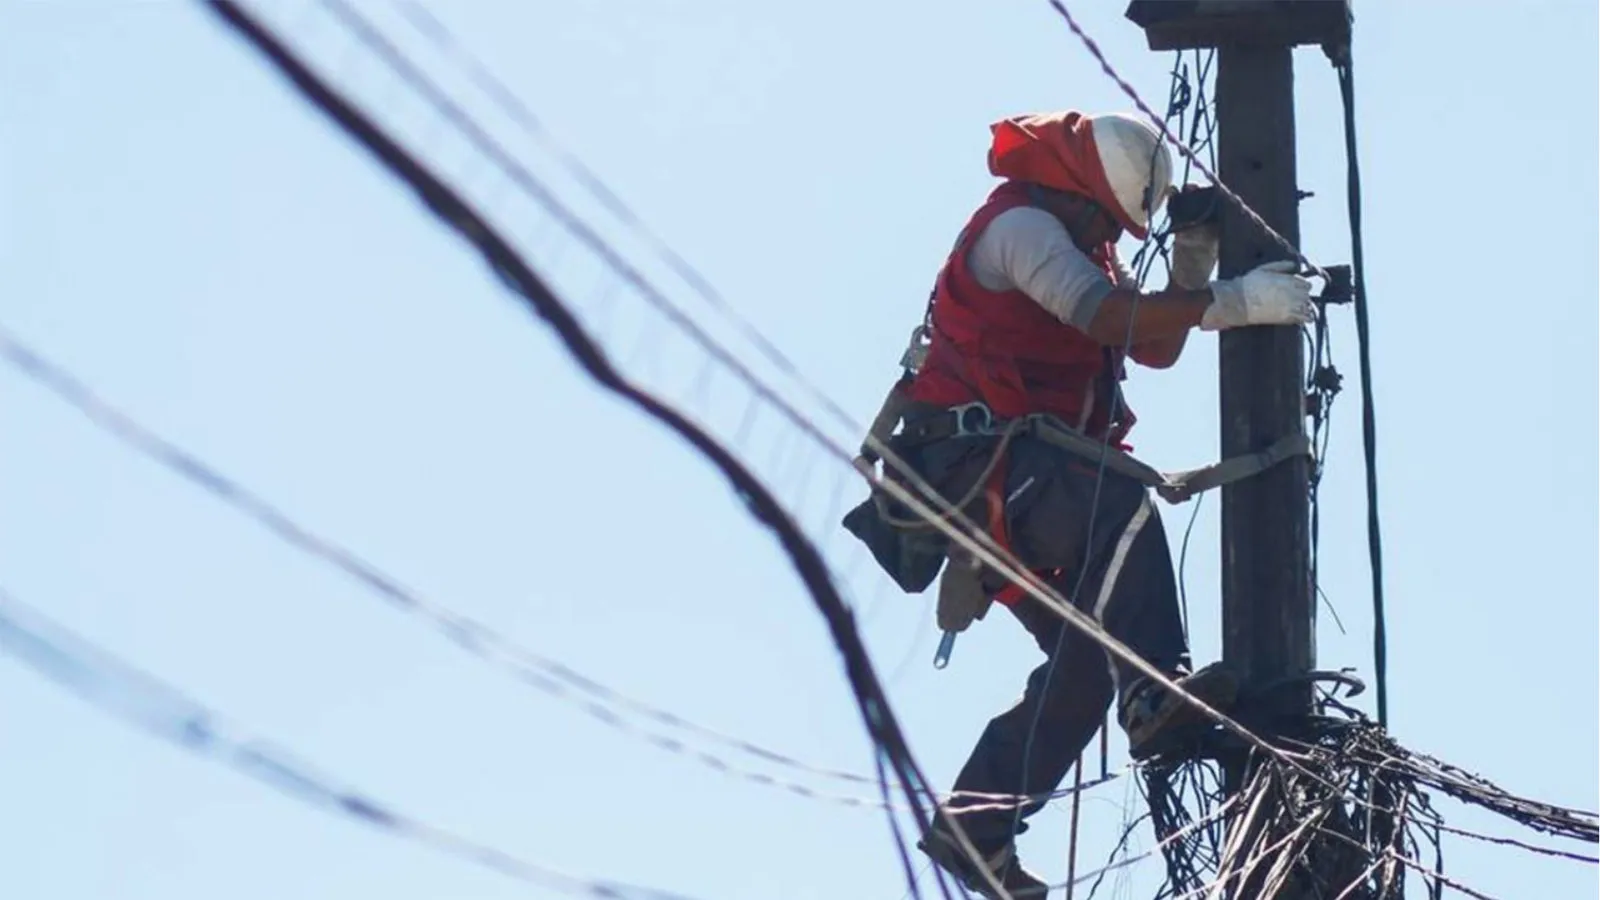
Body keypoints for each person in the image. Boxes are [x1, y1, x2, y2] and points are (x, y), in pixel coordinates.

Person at [840, 110, 1314, 897]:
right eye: (1104, 215)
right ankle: (1157, 690)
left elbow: (1150, 344)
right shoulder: (1021, 231)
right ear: (1073, 186)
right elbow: (1105, 317)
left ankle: (975, 830)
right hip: (974, 467)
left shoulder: (1079, 242)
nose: (1110, 233)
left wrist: (1195, 258)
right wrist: (1238, 301)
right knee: (1119, 503)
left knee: (1088, 665)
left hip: (1014, 482)